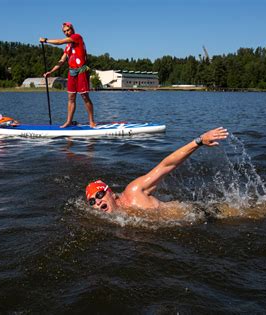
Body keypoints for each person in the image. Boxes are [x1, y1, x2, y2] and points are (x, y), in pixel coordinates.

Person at [85, 127, 229, 213]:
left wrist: (198, 141)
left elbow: (165, 166)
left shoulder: (134, 192)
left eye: (99, 195)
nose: (97, 202)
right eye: (92, 202)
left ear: (111, 193)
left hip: (203, 213)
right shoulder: (117, 218)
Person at [40, 22, 96, 128]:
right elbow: (61, 60)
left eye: (68, 30)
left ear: (72, 29)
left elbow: (60, 41)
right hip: (72, 72)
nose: (66, 33)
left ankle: (91, 121)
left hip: (81, 70)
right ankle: (69, 121)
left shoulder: (77, 37)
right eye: (64, 31)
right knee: (71, 97)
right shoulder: (68, 46)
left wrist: (46, 40)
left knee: (84, 96)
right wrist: (50, 72)